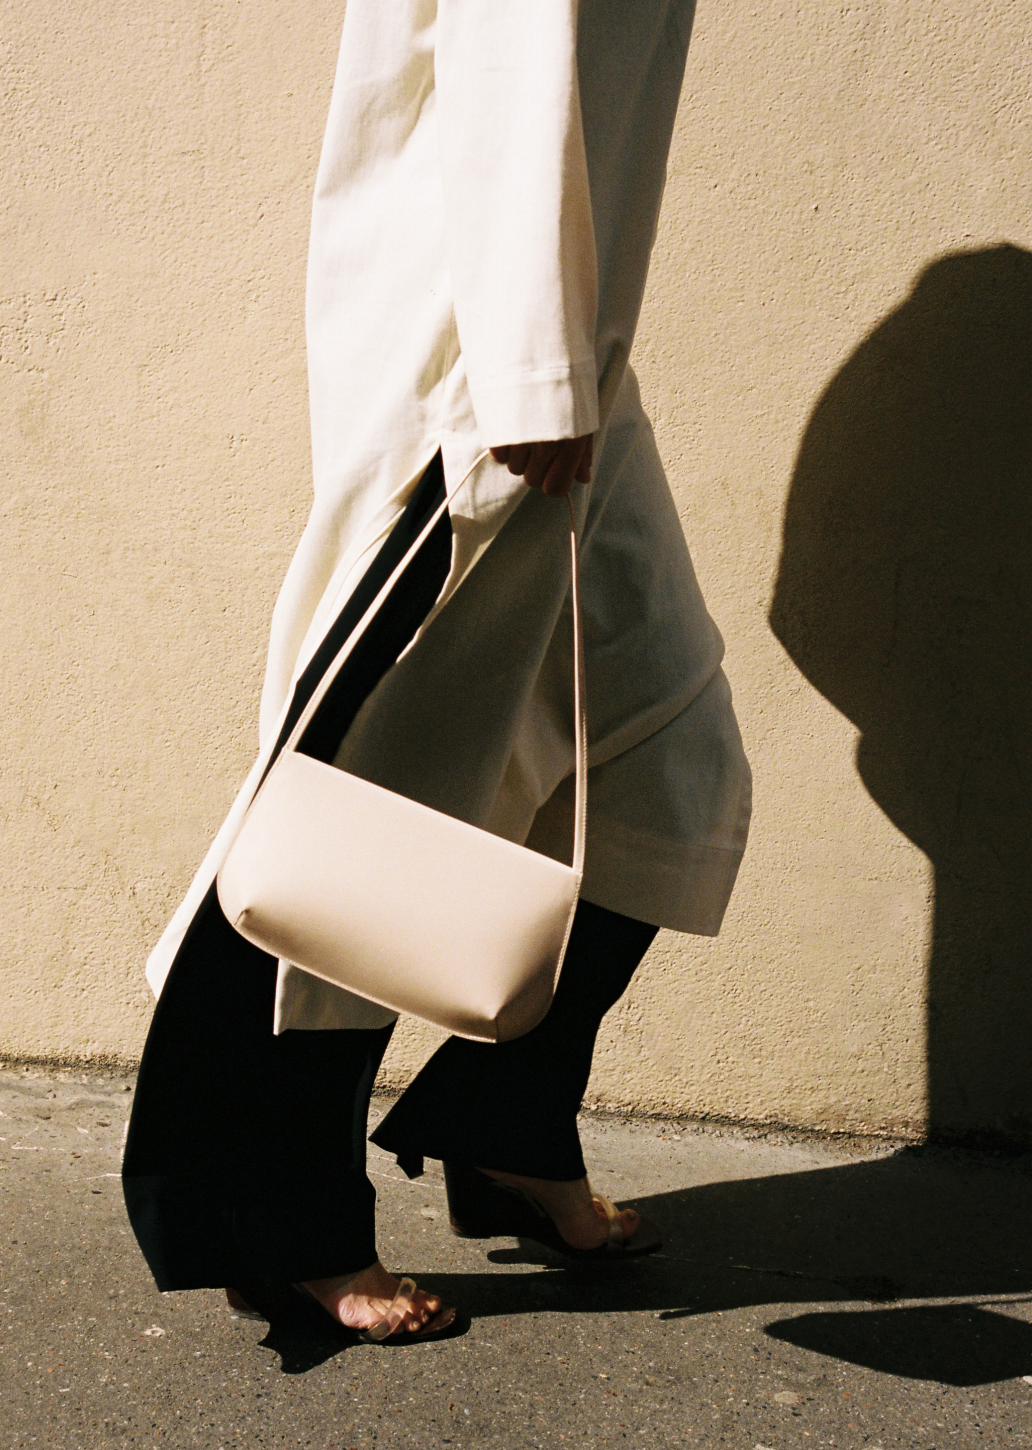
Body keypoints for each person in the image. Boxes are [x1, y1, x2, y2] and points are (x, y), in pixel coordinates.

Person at [122, 0, 751, 1343]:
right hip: (480, 376)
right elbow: (506, 51)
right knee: (349, 815)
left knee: (670, 769)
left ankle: (507, 1121)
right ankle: (272, 1214)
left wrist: (563, 365)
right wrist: (528, 376)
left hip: (574, 359)